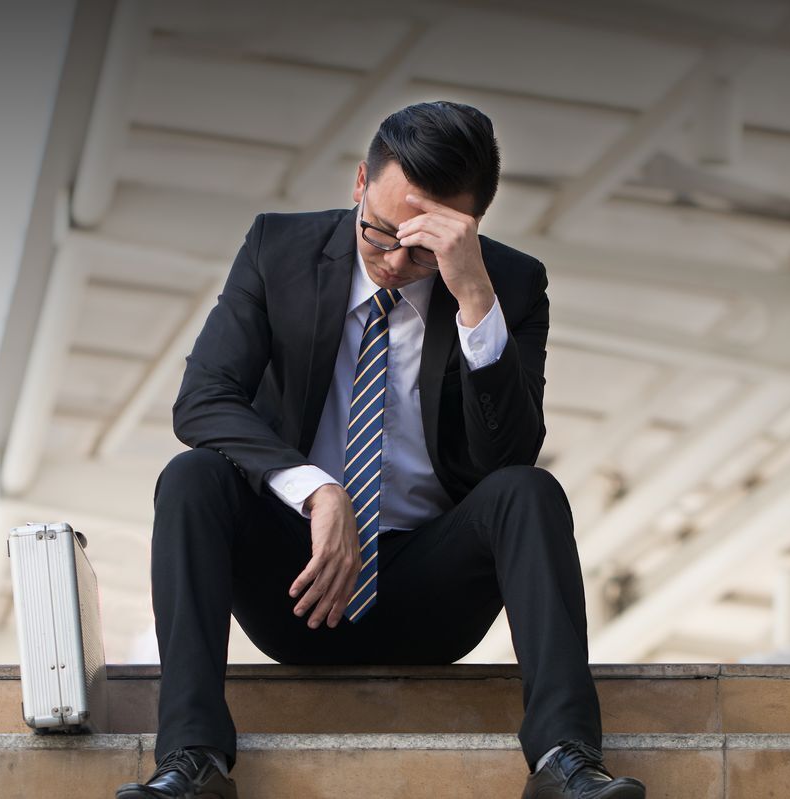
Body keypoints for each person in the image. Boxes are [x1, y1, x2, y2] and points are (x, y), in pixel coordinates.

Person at [114, 101, 646, 799]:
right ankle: (192, 760)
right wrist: (316, 488)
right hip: (299, 587)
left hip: (430, 591)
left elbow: (506, 456)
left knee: (531, 491)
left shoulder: (509, 286)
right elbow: (204, 398)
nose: (394, 261)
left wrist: (475, 300)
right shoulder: (279, 250)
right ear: (360, 181)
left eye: (421, 247)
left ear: (467, 228)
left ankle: (564, 759)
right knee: (191, 478)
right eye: (379, 232)